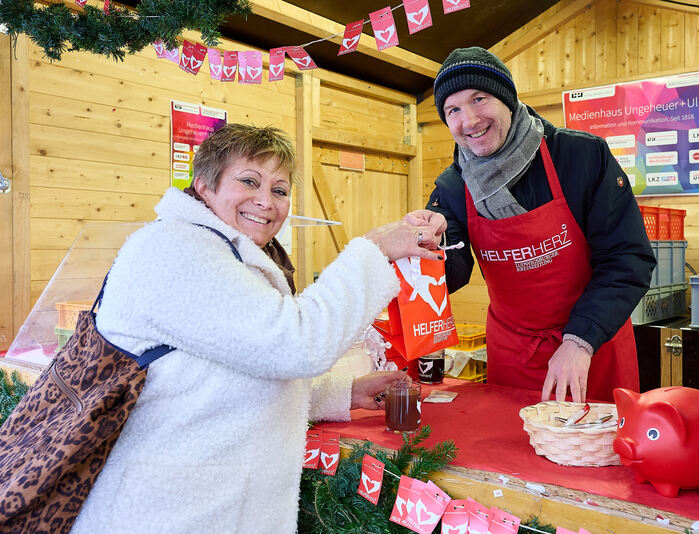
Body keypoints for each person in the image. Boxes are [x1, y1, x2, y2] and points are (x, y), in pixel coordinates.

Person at [69, 124, 446, 534]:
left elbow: (235, 375)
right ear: (204, 187)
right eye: (249, 181)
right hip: (164, 512)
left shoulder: (230, 252)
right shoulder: (175, 249)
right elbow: (295, 344)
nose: (266, 202)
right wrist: (373, 249)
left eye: (280, 190)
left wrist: (344, 392)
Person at [425, 47, 656, 403]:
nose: (468, 120)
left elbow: (627, 260)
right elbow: (451, 274)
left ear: (507, 98)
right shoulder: (453, 187)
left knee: (601, 451)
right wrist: (428, 248)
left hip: (593, 346)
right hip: (514, 354)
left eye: (479, 98)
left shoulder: (580, 157)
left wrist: (580, 340)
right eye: (452, 109)